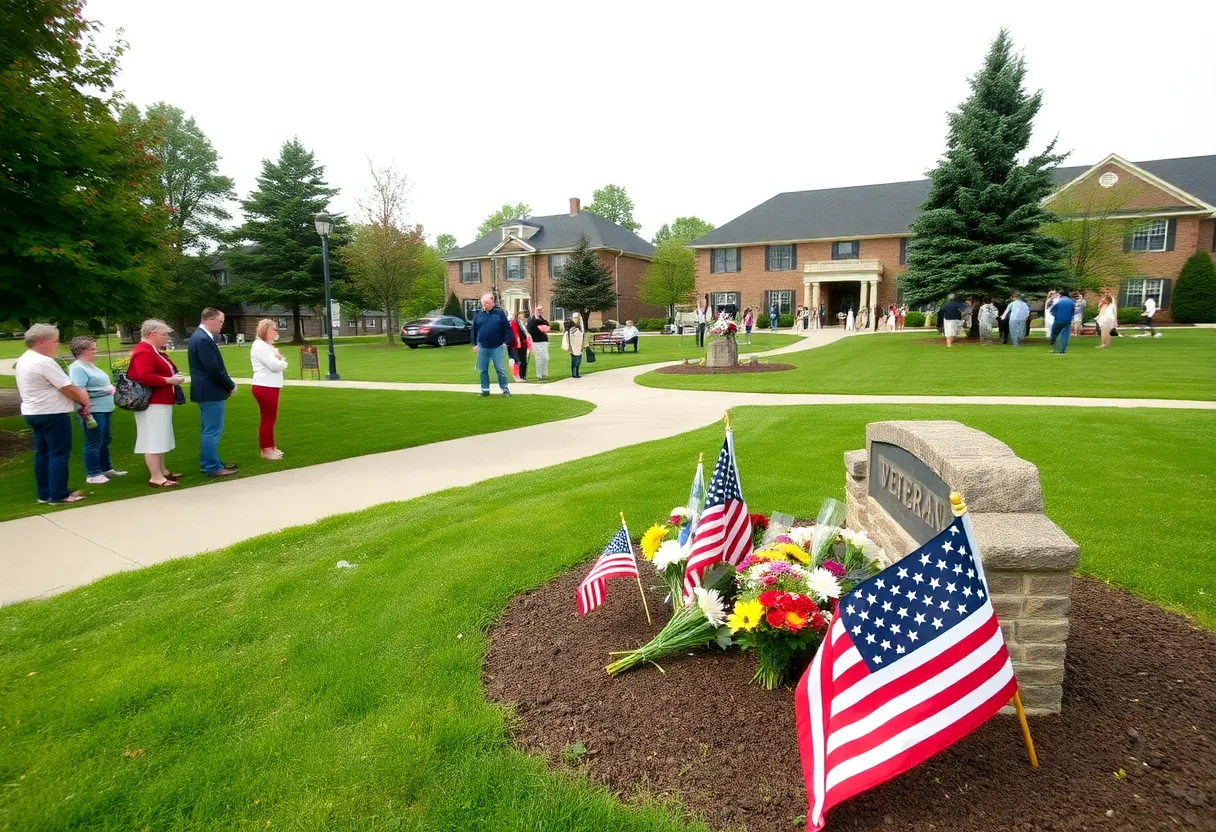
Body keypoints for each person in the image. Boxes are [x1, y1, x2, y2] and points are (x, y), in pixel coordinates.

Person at [15, 324, 93, 504]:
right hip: (52, 413)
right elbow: (67, 387)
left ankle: (45, 493)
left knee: (42, 452)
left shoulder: (25, 359)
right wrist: (84, 402)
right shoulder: (44, 361)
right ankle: (58, 494)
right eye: (55, 341)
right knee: (59, 453)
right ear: (40, 341)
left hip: (33, 412)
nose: (57, 345)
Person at [127, 319, 187, 488]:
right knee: (153, 438)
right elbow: (145, 376)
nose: (167, 337)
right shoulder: (144, 352)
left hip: (161, 400)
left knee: (161, 437)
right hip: (152, 402)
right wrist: (169, 380)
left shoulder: (153, 351)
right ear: (152, 334)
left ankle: (162, 470)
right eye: (164, 334)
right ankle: (156, 476)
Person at [188, 307, 238, 478]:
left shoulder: (200, 337)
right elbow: (213, 369)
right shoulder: (202, 339)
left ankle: (212, 461)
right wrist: (230, 385)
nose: (222, 326)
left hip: (206, 391)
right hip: (210, 391)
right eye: (221, 322)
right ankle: (211, 466)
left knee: (209, 430)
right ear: (210, 319)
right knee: (212, 430)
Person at [68, 336, 126, 484]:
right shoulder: (77, 367)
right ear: (81, 351)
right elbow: (80, 389)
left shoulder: (91, 366)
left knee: (105, 439)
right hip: (93, 410)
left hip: (105, 407)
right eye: (92, 349)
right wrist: (86, 406)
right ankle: (93, 474)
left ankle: (106, 468)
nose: (96, 351)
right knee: (94, 441)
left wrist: (108, 389)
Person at [250, 318, 288, 460]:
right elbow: (275, 365)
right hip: (265, 386)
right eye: (274, 330)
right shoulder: (259, 345)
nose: (275, 333)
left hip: (271, 385)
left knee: (270, 419)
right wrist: (280, 360)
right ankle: (266, 449)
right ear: (266, 330)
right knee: (267, 419)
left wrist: (280, 360)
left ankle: (270, 446)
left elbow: (280, 361)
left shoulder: (268, 346)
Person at [471, 292, 511, 396]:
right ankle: (485, 390)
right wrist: (474, 344)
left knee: (499, 368)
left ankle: (505, 389)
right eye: (483, 303)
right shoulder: (478, 314)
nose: (485, 305)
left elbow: (507, 329)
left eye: (487, 303)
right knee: (483, 369)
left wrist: (505, 342)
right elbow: (473, 330)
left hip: (497, 346)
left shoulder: (499, 313)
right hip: (482, 346)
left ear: (492, 302)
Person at [527, 309, 551, 380]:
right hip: (536, 341)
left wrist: (541, 321)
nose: (540, 312)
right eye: (538, 310)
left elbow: (547, 325)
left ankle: (544, 374)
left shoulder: (543, 319)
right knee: (539, 359)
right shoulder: (532, 320)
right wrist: (537, 320)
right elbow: (530, 328)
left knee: (546, 358)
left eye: (541, 311)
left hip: (544, 341)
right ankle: (539, 375)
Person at [1049, 290, 1075, 354]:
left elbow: (1052, 310)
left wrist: (1055, 315)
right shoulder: (1072, 302)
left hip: (1058, 320)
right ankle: (1062, 350)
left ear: (1061, 295)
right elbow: (1073, 312)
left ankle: (1055, 349)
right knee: (1065, 336)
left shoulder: (1058, 301)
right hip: (1067, 321)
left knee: (1055, 335)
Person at [562, 311, 586, 378]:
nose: (576, 319)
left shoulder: (580, 326)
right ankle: (574, 373)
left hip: (579, 344)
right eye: (575, 318)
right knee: (575, 359)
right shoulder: (571, 326)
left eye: (577, 318)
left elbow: (582, 334)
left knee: (579, 360)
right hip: (573, 345)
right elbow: (569, 334)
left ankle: (577, 372)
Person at [508, 311, 531, 379]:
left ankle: (523, 375)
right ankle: (519, 375)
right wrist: (518, 341)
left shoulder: (522, 323)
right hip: (518, 344)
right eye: (521, 315)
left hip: (524, 343)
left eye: (523, 315)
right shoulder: (515, 322)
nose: (522, 316)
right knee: (519, 359)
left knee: (523, 359)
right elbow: (515, 332)